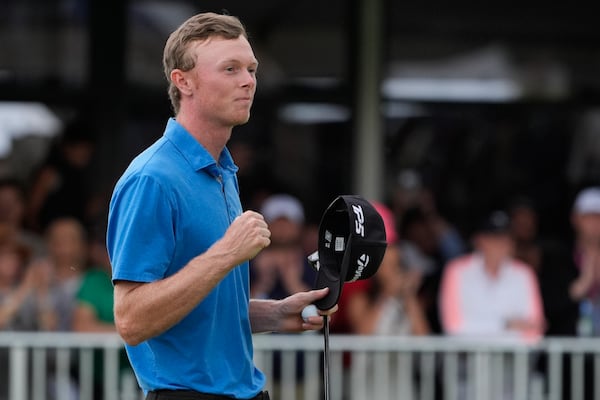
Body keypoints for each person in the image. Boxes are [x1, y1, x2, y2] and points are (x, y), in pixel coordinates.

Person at [106, 12, 336, 400]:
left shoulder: (221, 170)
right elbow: (131, 319)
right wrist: (226, 254)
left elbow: (200, 307)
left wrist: (275, 314)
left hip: (245, 391)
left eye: (251, 68)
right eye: (230, 69)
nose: (248, 81)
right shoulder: (152, 178)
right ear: (184, 81)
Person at [439, 210, 544, 340]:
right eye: (493, 239)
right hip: (468, 358)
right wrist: (505, 325)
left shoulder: (525, 273)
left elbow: (535, 331)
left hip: (513, 358)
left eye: (505, 239)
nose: (500, 245)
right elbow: (453, 328)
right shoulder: (456, 270)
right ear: (479, 241)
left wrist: (479, 327)